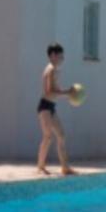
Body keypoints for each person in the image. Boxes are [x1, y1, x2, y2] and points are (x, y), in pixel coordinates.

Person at [37, 42, 79, 175]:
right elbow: (48, 91)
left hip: (51, 107)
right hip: (44, 107)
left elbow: (56, 91)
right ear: (53, 55)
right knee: (48, 136)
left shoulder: (54, 70)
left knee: (61, 135)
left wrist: (69, 95)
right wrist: (67, 92)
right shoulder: (50, 70)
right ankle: (40, 167)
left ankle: (65, 167)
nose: (62, 59)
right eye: (60, 56)